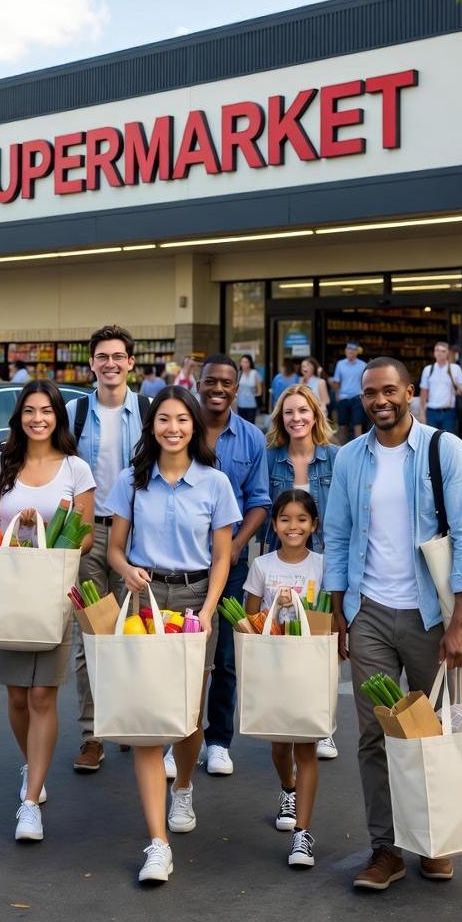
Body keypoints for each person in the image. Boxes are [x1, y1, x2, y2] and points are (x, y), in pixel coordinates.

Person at [323, 356, 462, 890]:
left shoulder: (445, 449)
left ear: (410, 391)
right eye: (371, 393)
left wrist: (461, 621)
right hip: (368, 611)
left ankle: (435, 842)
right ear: (361, 397)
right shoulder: (350, 458)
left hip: (430, 616)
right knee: (375, 735)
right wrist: (340, 609)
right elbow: (339, 536)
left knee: (432, 733)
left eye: (390, 391)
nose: (380, 401)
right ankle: (385, 850)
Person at [107, 386, 240, 884]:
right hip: (146, 600)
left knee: (187, 712)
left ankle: (183, 784)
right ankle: (157, 842)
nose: (173, 428)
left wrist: (208, 610)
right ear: (152, 426)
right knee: (146, 717)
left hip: (193, 602)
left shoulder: (215, 483)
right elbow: (116, 548)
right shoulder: (131, 480)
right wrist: (127, 571)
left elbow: (223, 556)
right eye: (163, 419)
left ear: (194, 426)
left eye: (181, 419)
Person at [0, 379, 95, 842]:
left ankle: (31, 800)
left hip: (52, 592)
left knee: (43, 695)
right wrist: (18, 532)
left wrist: (47, 533)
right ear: (19, 416)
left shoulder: (76, 469)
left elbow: (85, 536)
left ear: (57, 417)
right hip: (8, 595)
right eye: (30, 410)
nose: (38, 419)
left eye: (46, 410)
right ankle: (32, 764)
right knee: (16, 696)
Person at [165, 353, 270, 777]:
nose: (219, 389)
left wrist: (233, 547)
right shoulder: (179, 430)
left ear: (237, 385)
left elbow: (260, 501)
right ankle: (175, 737)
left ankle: (218, 739)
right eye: (211, 381)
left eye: (228, 382)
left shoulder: (251, 439)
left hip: (232, 566)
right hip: (181, 562)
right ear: (199, 382)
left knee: (224, 655)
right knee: (176, 653)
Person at [65, 324, 150, 772]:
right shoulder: (76, 413)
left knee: (137, 633)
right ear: (93, 363)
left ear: (131, 363)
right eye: (103, 357)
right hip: (88, 536)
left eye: (119, 356)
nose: (111, 364)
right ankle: (92, 734)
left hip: (139, 537)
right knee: (92, 636)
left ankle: (131, 721)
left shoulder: (150, 411)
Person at [244, 489, 324, 869]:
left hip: (307, 668)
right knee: (280, 747)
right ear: (274, 525)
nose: (294, 527)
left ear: (313, 525)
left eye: (302, 520)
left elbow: (326, 619)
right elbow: (249, 619)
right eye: (286, 519)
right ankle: (287, 788)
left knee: (306, 748)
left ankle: (302, 835)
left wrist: (302, 607)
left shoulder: (322, 566)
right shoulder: (262, 566)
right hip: (274, 667)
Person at [264, 383, 339, 760]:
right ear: (281, 418)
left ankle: (322, 724)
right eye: (289, 412)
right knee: (285, 641)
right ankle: (286, 713)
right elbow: (263, 508)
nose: (297, 418)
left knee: (321, 645)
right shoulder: (271, 458)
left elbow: (343, 514)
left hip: (324, 561)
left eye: (303, 411)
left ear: (315, 415)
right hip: (282, 561)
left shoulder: (334, 457)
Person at [418, 341, 462, 433]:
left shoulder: (455, 369)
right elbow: (423, 393)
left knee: (447, 442)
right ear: (434, 353)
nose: (439, 353)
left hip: (449, 412)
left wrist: (453, 380)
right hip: (431, 411)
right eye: (437, 350)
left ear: (448, 353)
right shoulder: (428, 370)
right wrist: (422, 413)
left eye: (443, 351)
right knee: (430, 440)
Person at [330, 342, 367, 443]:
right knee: (342, 427)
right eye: (349, 350)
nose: (351, 352)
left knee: (357, 426)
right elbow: (337, 381)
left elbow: (366, 381)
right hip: (343, 398)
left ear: (357, 352)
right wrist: (337, 395)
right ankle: (342, 451)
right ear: (345, 351)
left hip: (357, 398)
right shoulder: (340, 364)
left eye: (353, 350)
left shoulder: (363, 365)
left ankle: (358, 451)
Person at [236, 354, 263, 423]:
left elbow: (259, 390)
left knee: (251, 424)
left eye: (245, 362)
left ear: (250, 363)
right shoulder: (239, 373)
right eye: (242, 362)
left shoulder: (254, 373)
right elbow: (236, 388)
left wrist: (255, 396)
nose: (243, 364)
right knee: (241, 424)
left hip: (252, 404)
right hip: (241, 404)